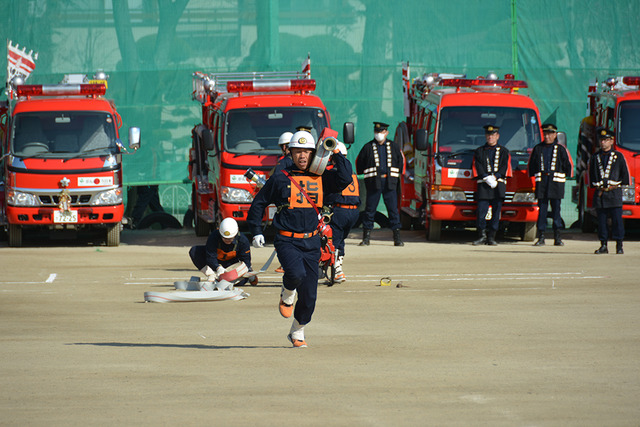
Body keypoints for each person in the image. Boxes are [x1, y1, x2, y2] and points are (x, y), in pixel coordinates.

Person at [247, 130, 353, 348]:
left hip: (312, 241)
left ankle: (297, 330)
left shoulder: (322, 177)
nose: (302, 156)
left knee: (310, 296)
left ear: (314, 153)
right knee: (296, 274)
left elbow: (344, 178)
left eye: (306, 151)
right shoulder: (280, 177)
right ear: (290, 152)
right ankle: (287, 292)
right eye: (297, 151)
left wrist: (337, 152)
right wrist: (256, 230)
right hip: (286, 240)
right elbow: (259, 203)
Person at [355, 121, 404, 246]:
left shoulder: (394, 146)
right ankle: (366, 238)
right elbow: (359, 163)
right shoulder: (367, 147)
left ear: (386, 132)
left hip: (390, 183)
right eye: (376, 132)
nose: (379, 134)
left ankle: (397, 238)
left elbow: (400, 162)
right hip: (373, 183)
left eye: (381, 132)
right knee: (370, 210)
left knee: (393, 210)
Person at [528, 123, 574, 246]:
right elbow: (532, 167)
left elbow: (567, 167)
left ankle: (557, 237)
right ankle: (541, 237)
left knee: (556, 211)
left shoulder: (561, 149)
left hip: (556, 185)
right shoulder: (538, 149)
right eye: (545, 134)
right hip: (542, 184)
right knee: (542, 211)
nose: (547, 136)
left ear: (555, 135)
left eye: (550, 134)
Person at [589, 128, 630, 254]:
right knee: (601, 222)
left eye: (606, 140)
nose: (603, 143)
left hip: (614, 193)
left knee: (617, 221)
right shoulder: (595, 157)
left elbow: (625, 175)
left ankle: (619, 245)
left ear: (611, 141)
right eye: (602, 140)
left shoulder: (618, 156)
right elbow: (592, 175)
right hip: (601, 193)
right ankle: (603, 245)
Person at [325, 141, 361, 283]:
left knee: (334, 241)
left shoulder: (334, 173)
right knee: (340, 241)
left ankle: (337, 270)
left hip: (340, 210)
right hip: (353, 212)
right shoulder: (352, 174)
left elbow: (330, 195)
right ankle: (336, 267)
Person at [472, 125, 512, 246]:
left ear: (497, 136)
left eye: (493, 135)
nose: (490, 137)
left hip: (498, 186)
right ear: (486, 136)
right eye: (488, 135)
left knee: (496, 212)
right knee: (481, 211)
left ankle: (492, 237)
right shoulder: (479, 151)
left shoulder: (504, 151)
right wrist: (485, 176)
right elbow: (477, 165)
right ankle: (481, 236)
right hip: (484, 186)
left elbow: (505, 166)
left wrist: (496, 177)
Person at [188, 217, 257, 286]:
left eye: (230, 238)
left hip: (232, 263)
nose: (227, 241)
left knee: (238, 283)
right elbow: (210, 257)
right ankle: (211, 275)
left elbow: (246, 261)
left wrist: (240, 271)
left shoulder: (243, 241)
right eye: (225, 238)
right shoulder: (213, 237)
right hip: (217, 261)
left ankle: (250, 275)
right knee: (194, 251)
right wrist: (217, 268)